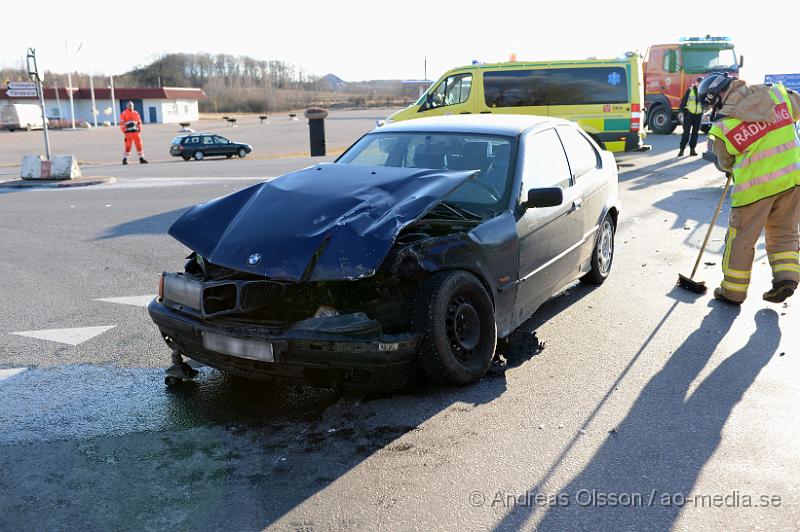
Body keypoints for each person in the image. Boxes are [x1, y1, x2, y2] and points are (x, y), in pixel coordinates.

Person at [700, 72, 800, 305]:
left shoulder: (723, 127)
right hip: (792, 181)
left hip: (754, 190)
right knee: (784, 232)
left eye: (712, 103)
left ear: (718, 96)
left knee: (741, 239)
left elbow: (725, 162)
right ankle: (786, 278)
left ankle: (733, 291)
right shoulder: (776, 94)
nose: (713, 110)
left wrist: (734, 163)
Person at [678, 77, 704, 156]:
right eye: (699, 83)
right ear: (696, 83)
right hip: (689, 114)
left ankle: (692, 150)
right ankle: (681, 150)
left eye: (701, 84)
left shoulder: (703, 92)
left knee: (695, 133)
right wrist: (681, 112)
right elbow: (684, 101)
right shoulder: (690, 90)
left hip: (698, 114)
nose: (700, 85)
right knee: (686, 133)